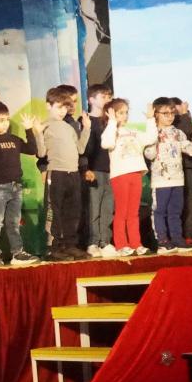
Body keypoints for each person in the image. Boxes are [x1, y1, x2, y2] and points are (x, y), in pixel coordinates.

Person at [0, 101, 43, 266]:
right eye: (1, 120)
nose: (5, 123)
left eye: (7, 119)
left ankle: (17, 253)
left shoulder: (14, 139)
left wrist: (29, 129)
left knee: (14, 222)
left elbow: (32, 150)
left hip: (16, 186)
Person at [144, 97, 192, 254]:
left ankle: (177, 239)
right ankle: (162, 241)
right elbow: (149, 154)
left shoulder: (178, 132)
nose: (170, 116)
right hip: (161, 180)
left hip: (178, 179)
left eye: (172, 113)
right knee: (159, 211)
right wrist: (153, 136)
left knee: (175, 211)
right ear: (156, 114)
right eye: (165, 113)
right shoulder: (152, 133)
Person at [101, 98, 157, 256]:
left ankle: (136, 244)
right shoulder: (111, 131)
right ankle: (121, 245)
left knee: (133, 212)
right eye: (120, 113)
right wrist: (112, 122)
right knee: (122, 211)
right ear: (111, 114)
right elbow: (106, 144)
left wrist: (150, 119)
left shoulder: (133, 131)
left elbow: (150, 138)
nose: (125, 116)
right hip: (120, 175)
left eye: (126, 112)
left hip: (136, 173)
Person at [42, 86, 92, 260]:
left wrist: (86, 129)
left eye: (65, 107)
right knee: (55, 211)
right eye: (58, 107)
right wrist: (36, 133)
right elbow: (40, 152)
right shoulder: (44, 126)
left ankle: (70, 245)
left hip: (73, 173)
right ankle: (53, 247)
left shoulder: (69, 127)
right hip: (57, 173)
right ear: (48, 106)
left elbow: (80, 149)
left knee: (73, 211)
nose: (62, 111)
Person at [82, 84, 116, 258]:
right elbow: (83, 148)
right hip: (94, 170)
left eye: (109, 97)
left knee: (108, 208)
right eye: (103, 97)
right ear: (91, 99)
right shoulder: (85, 120)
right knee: (93, 209)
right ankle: (93, 242)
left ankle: (105, 241)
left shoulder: (109, 121)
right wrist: (86, 168)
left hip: (112, 169)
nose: (108, 100)